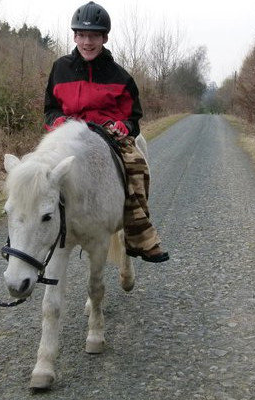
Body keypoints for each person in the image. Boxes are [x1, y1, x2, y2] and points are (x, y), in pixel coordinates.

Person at [44, 1, 169, 263]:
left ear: (104, 37)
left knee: (136, 166)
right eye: (82, 35)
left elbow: (133, 118)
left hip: (106, 136)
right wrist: (59, 122)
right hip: (69, 136)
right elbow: (50, 110)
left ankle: (139, 236)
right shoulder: (60, 68)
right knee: (36, 172)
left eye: (94, 36)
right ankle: (31, 235)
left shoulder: (120, 77)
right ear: (74, 36)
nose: (87, 42)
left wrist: (123, 127)